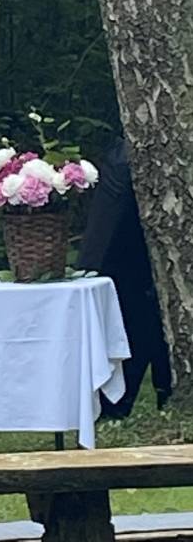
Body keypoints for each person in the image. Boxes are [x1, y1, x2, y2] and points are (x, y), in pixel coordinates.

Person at [77, 136, 171, 416]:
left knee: (139, 309)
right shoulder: (130, 153)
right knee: (137, 308)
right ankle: (132, 396)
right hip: (125, 255)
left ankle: (128, 397)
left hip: (122, 254)